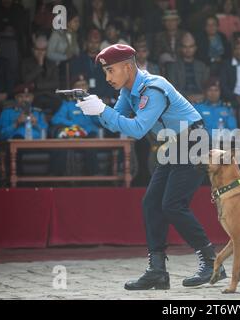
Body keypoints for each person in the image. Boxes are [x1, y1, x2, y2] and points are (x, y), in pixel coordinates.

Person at [76, 44, 227, 290]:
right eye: (105, 72)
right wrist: (94, 110)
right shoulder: (129, 89)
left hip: (192, 141)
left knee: (173, 205)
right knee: (151, 203)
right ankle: (157, 271)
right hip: (175, 143)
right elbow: (117, 123)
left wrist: (102, 109)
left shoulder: (153, 88)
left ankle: (213, 263)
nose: (107, 78)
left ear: (127, 66)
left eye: (110, 71)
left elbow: (137, 129)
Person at [165, 33, 210, 104]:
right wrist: (187, 97)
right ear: (180, 48)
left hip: (201, 100)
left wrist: (203, 96)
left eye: (191, 47)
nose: (188, 50)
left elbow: (208, 86)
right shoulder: (173, 67)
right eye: (185, 47)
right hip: (181, 101)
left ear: (195, 48)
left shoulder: (202, 66)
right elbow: (171, 89)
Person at [21, 35, 60, 115]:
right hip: (34, 96)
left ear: (46, 50)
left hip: (51, 96)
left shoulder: (52, 64)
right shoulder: (25, 63)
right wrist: (39, 65)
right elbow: (25, 81)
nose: (40, 52)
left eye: (43, 50)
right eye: (37, 49)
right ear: (33, 49)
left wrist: (37, 85)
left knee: (59, 104)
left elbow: (56, 83)